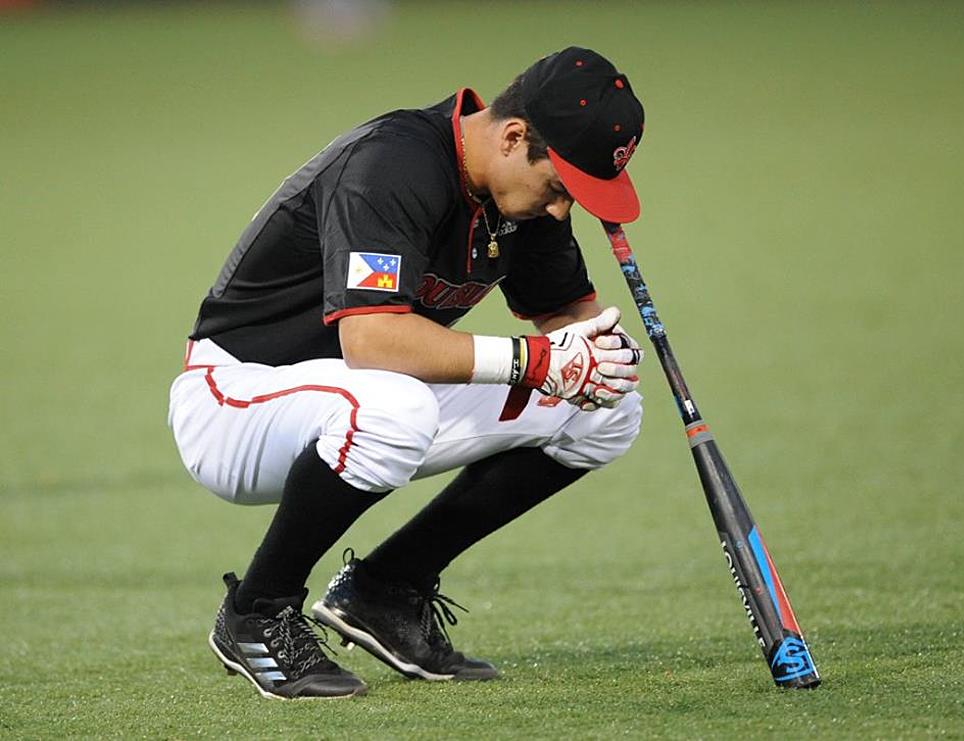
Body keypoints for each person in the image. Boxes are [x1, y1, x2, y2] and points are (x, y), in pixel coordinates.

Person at [168, 46, 646, 700]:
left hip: (356, 398)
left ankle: (386, 591)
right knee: (396, 406)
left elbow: (570, 322)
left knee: (607, 411)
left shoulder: (521, 201)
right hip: (236, 399)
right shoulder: (394, 163)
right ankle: (257, 610)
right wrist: (538, 361)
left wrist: (607, 355)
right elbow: (373, 340)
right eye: (561, 186)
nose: (563, 208)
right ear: (512, 137)